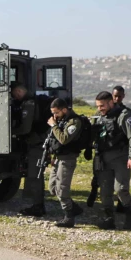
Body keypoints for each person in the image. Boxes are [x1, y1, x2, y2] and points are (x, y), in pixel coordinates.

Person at [92, 90, 131, 230]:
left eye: (102, 106)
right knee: (105, 192)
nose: (100, 109)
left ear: (111, 102)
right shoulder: (99, 116)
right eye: (98, 106)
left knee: (121, 189)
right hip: (103, 158)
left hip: (121, 157)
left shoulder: (124, 115)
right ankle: (109, 219)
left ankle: (130, 214)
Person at [47, 98, 88, 228]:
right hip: (59, 157)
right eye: (53, 113)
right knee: (53, 188)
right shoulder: (62, 120)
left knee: (62, 189)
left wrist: (54, 126)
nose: (54, 116)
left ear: (64, 110)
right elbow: (56, 142)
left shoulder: (74, 122)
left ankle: (69, 217)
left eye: (56, 112)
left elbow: (64, 139)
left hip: (68, 158)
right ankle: (74, 208)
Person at [17, 83, 52, 217]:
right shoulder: (37, 101)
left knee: (35, 175)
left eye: (15, 94)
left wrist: (12, 133)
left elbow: (25, 128)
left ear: (20, 91)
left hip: (37, 144)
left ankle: (38, 206)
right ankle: (37, 205)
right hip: (41, 143)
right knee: (36, 175)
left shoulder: (29, 103)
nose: (15, 97)